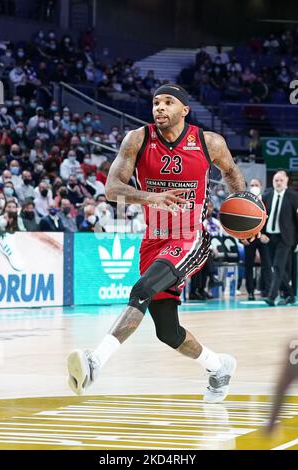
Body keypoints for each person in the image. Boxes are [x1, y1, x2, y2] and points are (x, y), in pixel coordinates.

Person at [67, 83, 252, 404]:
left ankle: (95, 361)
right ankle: (219, 366)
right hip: (153, 239)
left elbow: (232, 174)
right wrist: (149, 196)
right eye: (156, 102)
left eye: (168, 102)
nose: (160, 108)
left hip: (190, 235)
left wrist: (245, 208)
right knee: (168, 333)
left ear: (184, 110)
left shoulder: (209, 142)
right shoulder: (137, 139)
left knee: (140, 290)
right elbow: (112, 189)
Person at [263, 171, 298, 306]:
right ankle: (290, 294)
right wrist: (262, 233)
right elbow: (261, 217)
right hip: (270, 237)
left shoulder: (293, 197)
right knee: (278, 268)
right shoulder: (267, 196)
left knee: (277, 267)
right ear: (273, 181)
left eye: (281, 180)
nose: (278, 183)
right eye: (276, 180)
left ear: (286, 181)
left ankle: (271, 297)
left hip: (286, 239)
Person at [243, 178, 272, 300]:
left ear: (261, 186)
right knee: (248, 265)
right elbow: (241, 220)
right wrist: (242, 237)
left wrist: (268, 235)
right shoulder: (244, 201)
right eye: (252, 185)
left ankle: (268, 290)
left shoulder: (267, 200)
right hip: (249, 237)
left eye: (256, 184)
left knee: (267, 264)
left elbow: (270, 219)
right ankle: (250, 291)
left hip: (263, 237)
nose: (254, 186)